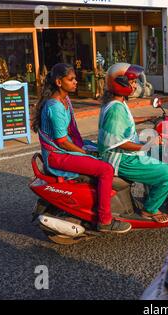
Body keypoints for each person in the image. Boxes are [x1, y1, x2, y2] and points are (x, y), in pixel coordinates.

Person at [32, 63, 132, 234]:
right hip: (57, 156)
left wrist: (91, 148)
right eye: (71, 79)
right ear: (58, 82)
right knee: (106, 170)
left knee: (101, 151)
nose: (75, 82)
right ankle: (105, 220)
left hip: (64, 149)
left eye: (75, 79)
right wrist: (84, 152)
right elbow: (62, 141)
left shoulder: (65, 100)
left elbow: (71, 135)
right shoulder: (54, 106)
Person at [98, 63, 168, 224]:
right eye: (132, 82)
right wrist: (147, 145)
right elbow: (119, 143)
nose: (135, 85)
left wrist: (147, 118)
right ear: (120, 83)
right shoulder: (115, 109)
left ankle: (152, 192)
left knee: (163, 153)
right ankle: (150, 209)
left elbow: (126, 121)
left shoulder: (117, 102)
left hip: (125, 155)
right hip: (121, 160)